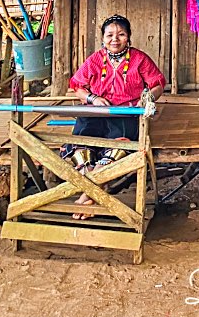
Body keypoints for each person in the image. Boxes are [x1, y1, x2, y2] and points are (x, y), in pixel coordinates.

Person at [65, 15, 166, 218]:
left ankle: (87, 196)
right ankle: (94, 192)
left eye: (121, 34)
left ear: (128, 37)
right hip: (95, 113)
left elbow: (157, 84)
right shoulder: (95, 60)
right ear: (103, 38)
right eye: (109, 35)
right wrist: (93, 98)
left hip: (126, 115)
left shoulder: (139, 59)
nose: (115, 39)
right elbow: (77, 86)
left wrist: (147, 99)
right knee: (82, 146)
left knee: (117, 148)